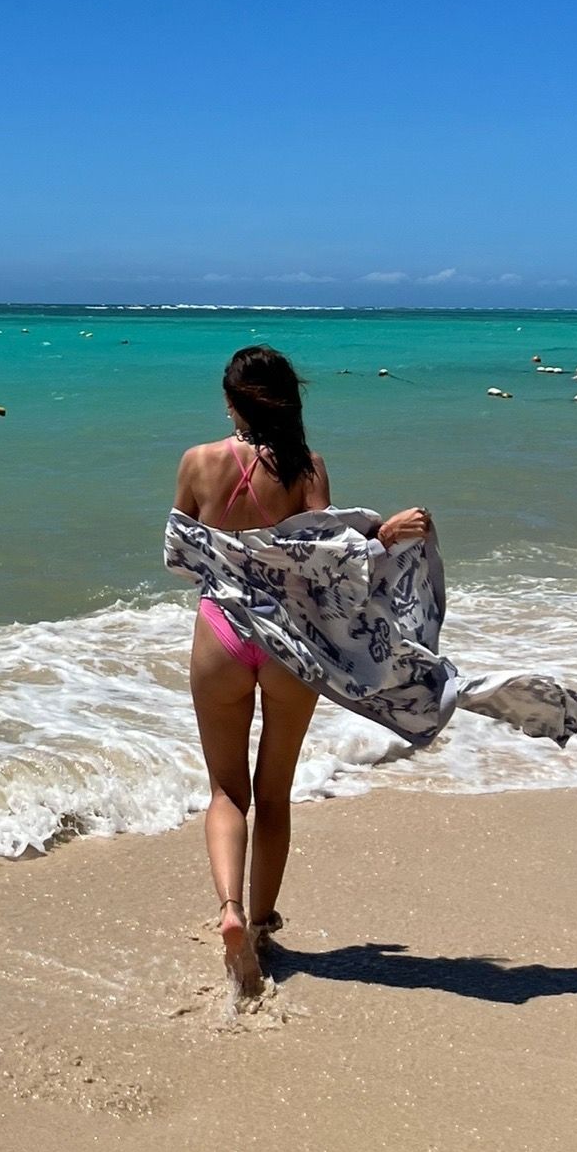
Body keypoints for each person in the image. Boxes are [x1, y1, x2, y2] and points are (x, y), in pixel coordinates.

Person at [171, 346, 430, 994]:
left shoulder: (198, 462)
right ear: (289, 400)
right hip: (292, 643)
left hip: (222, 635)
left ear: (230, 401)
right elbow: (332, 562)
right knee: (273, 793)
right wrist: (384, 535)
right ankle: (262, 926)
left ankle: (230, 910)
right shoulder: (306, 468)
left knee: (226, 793)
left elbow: (180, 554)